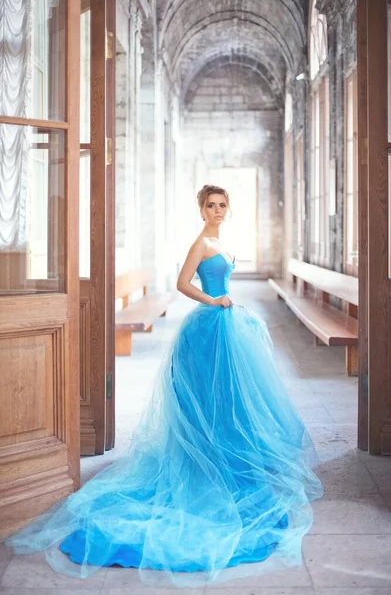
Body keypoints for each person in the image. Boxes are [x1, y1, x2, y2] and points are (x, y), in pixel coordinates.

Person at [4, 185, 323, 587]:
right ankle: (206, 460)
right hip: (210, 325)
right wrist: (214, 302)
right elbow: (182, 283)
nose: (218, 211)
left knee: (227, 400)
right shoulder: (201, 242)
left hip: (227, 324)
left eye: (223, 205)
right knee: (208, 399)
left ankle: (223, 455)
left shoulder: (217, 239)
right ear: (201, 208)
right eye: (212, 205)